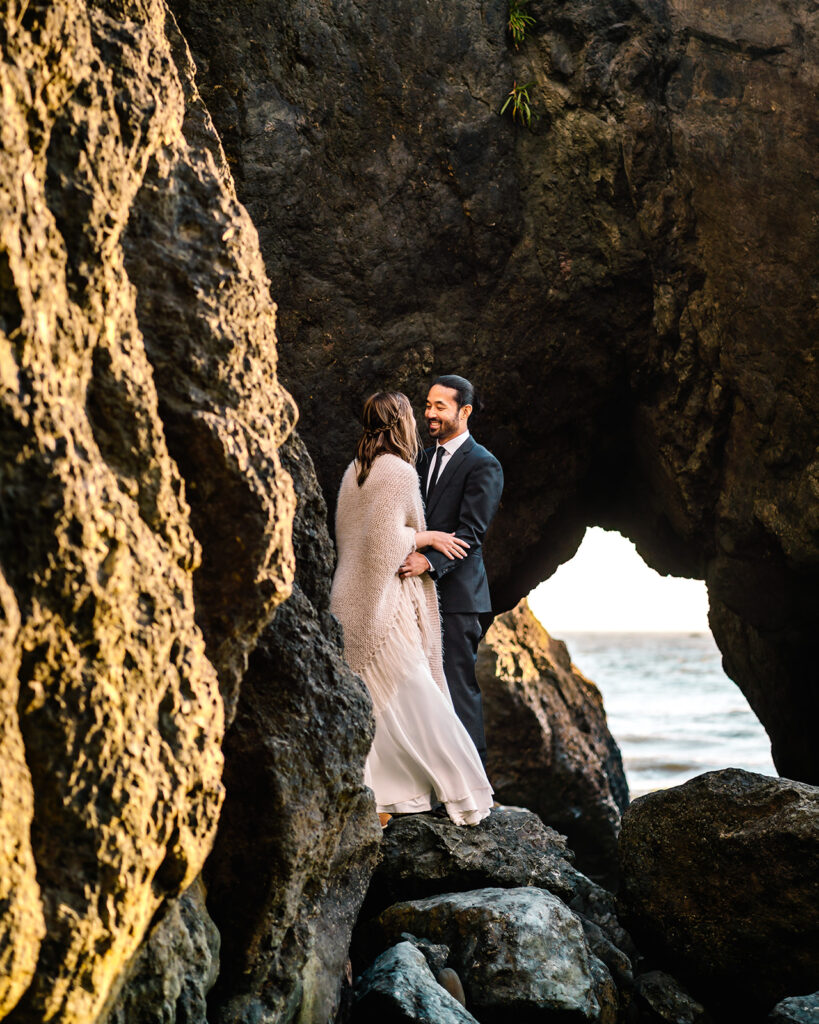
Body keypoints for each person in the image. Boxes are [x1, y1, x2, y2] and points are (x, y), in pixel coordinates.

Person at [330, 392, 493, 827]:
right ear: (400, 423)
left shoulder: (354, 471)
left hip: (349, 600)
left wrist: (423, 539)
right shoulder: (399, 471)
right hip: (384, 607)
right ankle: (467, 798)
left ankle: (394, 799)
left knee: (383, 707)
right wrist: (427, 538)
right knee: (422, 701)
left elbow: (353, 540)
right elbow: (383, 544)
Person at [399, 375, 503, 766]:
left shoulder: (483, 464)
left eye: (440, 406)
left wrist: (428, 560)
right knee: (420, 688)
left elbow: (471, 533)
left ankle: (473, 784)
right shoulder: (420, 460)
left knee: (459, 689)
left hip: (459, 597)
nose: (430, 414)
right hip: (414, 593)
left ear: (465, 411)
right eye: (427, 405)